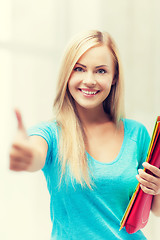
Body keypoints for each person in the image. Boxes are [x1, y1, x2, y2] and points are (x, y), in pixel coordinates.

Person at [9, 30, 160, 240]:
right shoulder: (50, 134)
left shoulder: (137, 134)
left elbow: (155, 210)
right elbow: (35, 155)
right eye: (79, 69)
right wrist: (26, 155)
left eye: (101, 71)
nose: (89, 80)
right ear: (67, 74)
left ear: (114, 77)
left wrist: (158, 188)